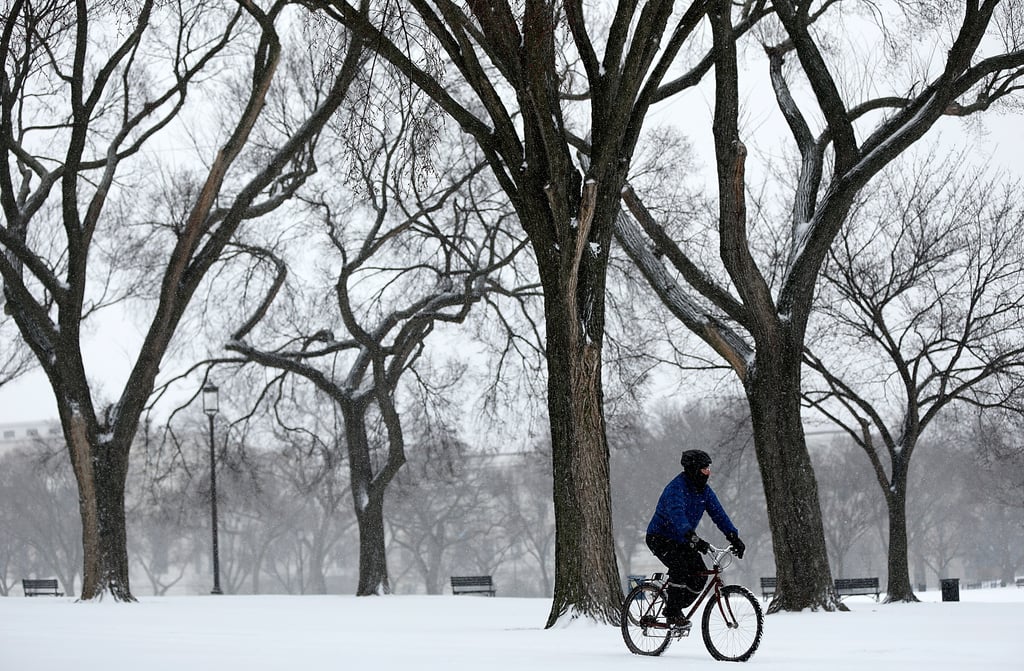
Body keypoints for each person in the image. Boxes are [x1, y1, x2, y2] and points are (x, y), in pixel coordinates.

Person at [646, 449, 746, 626]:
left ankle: (673, 602)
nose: (708, 472)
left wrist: (733, 536)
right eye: (704, 468)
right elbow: (678, 517)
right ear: (693, 469)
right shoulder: (676, 489)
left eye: (708, 468)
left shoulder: (704, 491)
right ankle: (672, 612)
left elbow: (718, 514)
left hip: (683, 540)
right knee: (680, 567)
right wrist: (693, 538)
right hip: (659, 537)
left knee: (700, 574)